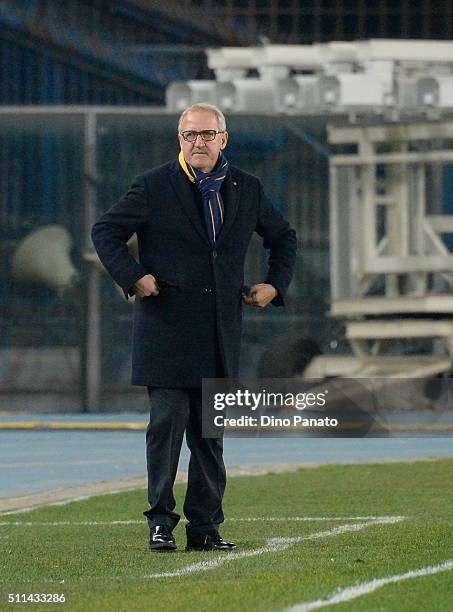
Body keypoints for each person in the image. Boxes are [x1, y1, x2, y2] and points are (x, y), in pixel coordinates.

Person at [91, 103, 297, 552]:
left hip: (220, 334)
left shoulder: (246, 187)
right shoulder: (152, 186)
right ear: (179, 140)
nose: (197, 143)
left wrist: (273, 285)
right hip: (165, 334)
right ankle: (160, 523)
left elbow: (283, 237)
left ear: (224, 139)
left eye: (206, 135)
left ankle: (205, 528)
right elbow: (105, 231)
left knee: (209, 440)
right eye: (189, 136)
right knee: (165, 431)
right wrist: (132, 275)